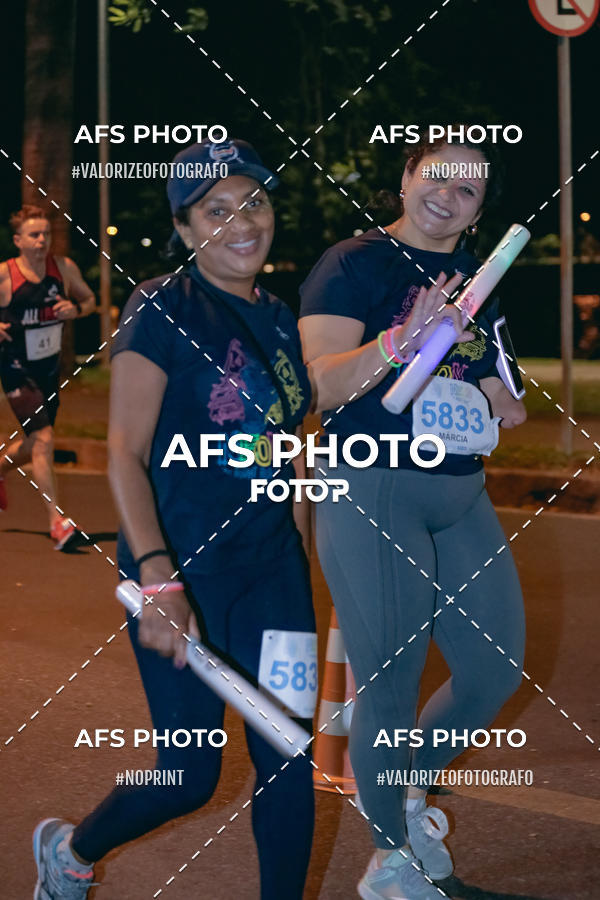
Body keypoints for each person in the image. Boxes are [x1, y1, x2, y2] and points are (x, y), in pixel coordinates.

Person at [32, 139, 316, 900]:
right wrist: (157, 575)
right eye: (215, 210)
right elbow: (123, 452)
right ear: (186, 231)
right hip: (181, 567)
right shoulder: (161, 306)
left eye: (252, 200)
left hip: (272, 566)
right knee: (190, 775)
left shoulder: (280, 318)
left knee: (289, 751)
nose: (241, 221)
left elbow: (288, 431)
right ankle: (71, 851)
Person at [299, 133, 527, 899]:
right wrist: (404, 340)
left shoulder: (480, 282)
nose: (449, 196)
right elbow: (323, 386)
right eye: (438, 178)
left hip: (460, 488)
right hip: (373, 486)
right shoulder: (353, 263)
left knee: (492, 669)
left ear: (478, 211)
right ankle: (392, 864)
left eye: (468, 190)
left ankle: (397, 792)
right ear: (406, 178)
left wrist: (498, 395)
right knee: (390, 683)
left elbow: (505, 398)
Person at [0, 205, 96, 549]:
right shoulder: (6, 275)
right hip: (14, 368)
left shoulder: (64, 269)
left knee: (37, 442)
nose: (42, 241)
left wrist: (77, 309)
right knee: (43, 439)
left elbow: (89, 300)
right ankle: (58, 523)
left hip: (48, 370)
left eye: (46, 234)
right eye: (34, 235)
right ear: (18, 241)